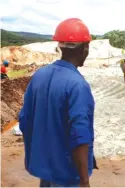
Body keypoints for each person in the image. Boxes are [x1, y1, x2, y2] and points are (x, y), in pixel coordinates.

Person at [19, 18, 97, 187]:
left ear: (60, 47)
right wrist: (84, 181)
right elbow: (80, 135)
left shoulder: (39, 76)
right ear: (85, 49)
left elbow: (24, 121)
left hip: (45, 171)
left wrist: (34, 158)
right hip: (67, 174)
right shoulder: (78, 85)